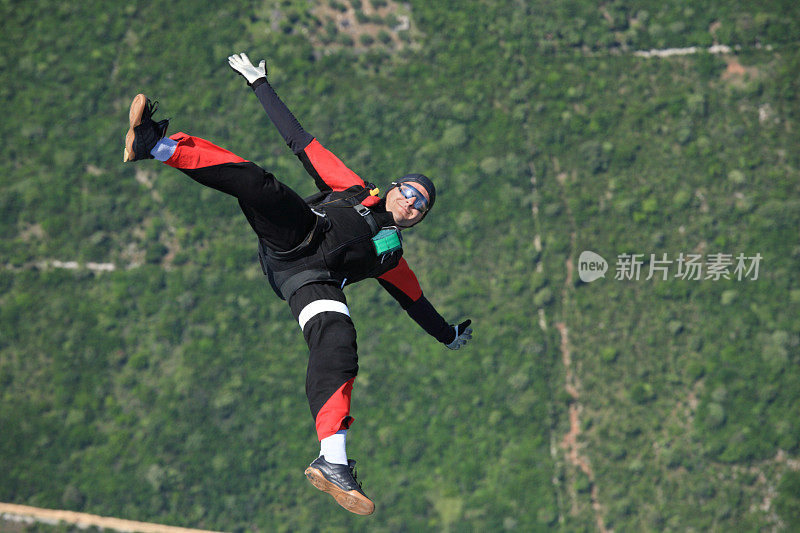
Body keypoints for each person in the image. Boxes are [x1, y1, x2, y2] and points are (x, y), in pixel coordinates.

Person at [123, 52, 473, 515]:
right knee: (258, 182)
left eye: (421, 206)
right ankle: (155, 144)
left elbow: (418, 305)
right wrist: (259, 83)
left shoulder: (391, 257)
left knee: (340, 341)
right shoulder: (352, 188)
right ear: (393, 187)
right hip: (297, 234)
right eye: (409, 192)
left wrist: (448, 335)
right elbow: (300, 141)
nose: (411, 204)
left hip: (309, 279)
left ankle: (333, 462)